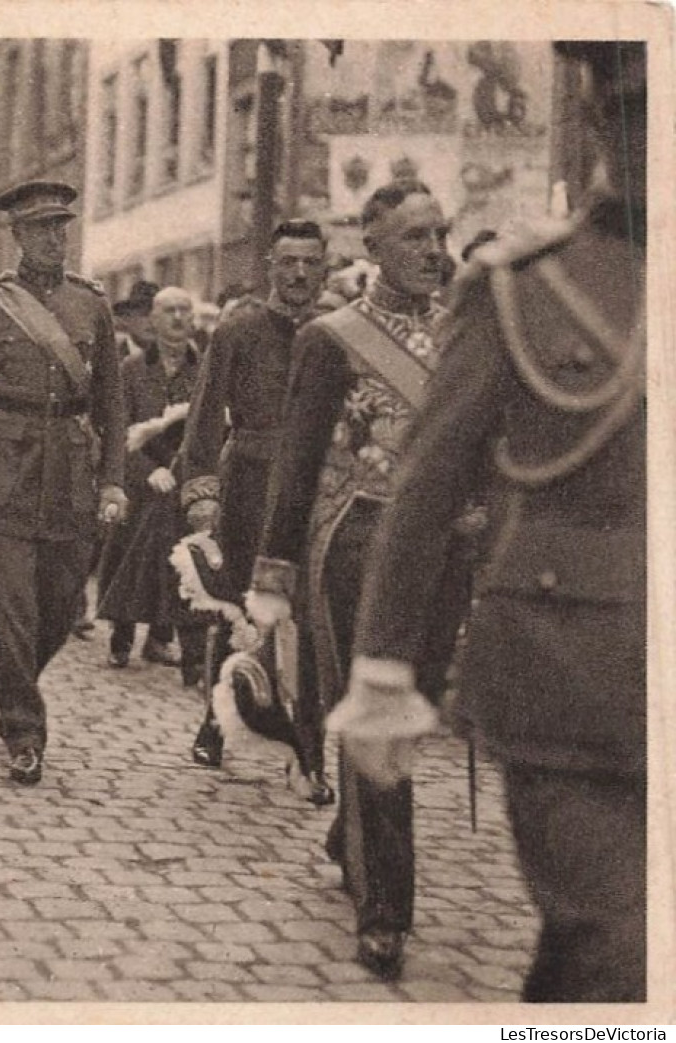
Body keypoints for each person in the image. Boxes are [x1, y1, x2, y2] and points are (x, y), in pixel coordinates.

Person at [339, 40, 647, 1002]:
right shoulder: (524, 286)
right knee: (620, 945)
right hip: (571, 685)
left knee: (590, 966)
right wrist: (383, 671)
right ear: (601, 121)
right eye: (639, 115)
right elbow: (425, 487)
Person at [246, 179, 467, 981]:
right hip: (355, 545)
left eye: (439, 233)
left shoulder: (466, 331)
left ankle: (352, 834)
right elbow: (295, 466)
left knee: (413, 717)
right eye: (413, 236)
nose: (433, 251)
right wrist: (272, 573)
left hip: (446, 551)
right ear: (370, 247)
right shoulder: (331, 339)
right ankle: (385, 912)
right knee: (378, 716)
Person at [0, 181, 126, 786]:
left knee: (65, 602)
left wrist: (114, 481)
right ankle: (24, 729)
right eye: (42, 229)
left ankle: (17, 687)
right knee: (10, 611)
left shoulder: (91, 303)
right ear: (16, 236)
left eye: (61, 228)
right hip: (2, 469)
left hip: (69, 470)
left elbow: (112, 404)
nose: (55, 239)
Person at [178, 219, 330, 790]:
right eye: (287, 261)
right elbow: (204, 414)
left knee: (310, 618)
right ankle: (216, 725)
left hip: (317, 487)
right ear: (269, 265)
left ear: (324, 268)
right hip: (250, 482)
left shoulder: (337, 331)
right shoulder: (238, 330)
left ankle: (309, 753)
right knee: (241, 609)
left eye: (309, 263)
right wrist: (201, 492)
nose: (298, 274)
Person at [97, 286, 202, 671]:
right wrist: (147, 470)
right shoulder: (132, 370)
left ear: (193, 320)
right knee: (129, 549)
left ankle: (161, 638)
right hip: (138, 478)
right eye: (168, 311)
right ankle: (121, 636)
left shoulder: (205, 369)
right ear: (152, 320)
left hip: (183, 481)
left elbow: (212, 430)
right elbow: (117, 430)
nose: (177, 318)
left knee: (176, 558)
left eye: (184, 310)